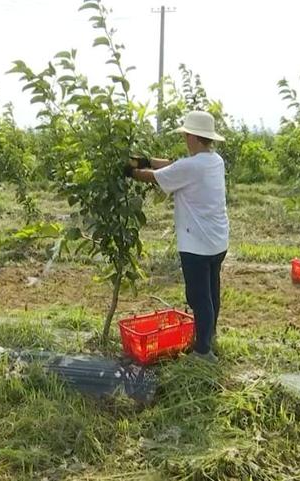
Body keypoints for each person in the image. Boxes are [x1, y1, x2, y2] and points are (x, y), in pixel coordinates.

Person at [126, 111, 229, 363]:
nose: (185, 139)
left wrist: (130, 171)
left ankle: (203, 353)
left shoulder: (191, 166)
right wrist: (147, 159)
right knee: (211, 292)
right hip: (217, 240)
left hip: (197, 244)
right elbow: (174, 164)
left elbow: (157, 176)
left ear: (193, 137)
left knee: (198, 297)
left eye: (186, 135)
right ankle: (208, 337)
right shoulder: (215, 160)